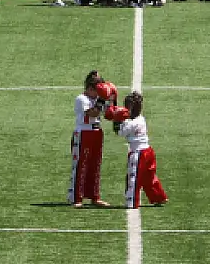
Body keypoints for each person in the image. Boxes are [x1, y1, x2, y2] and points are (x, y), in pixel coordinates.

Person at [106, 90, 167, 208]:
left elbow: (120, 133)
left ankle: (132, 201)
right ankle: (159, 197)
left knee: (133, 177)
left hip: (138, 154)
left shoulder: (132, 123)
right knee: (149, 177)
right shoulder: (140, 119)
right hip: (148, 151)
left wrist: (116, 120)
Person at [69, 72, 111, 208]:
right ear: (90, 88)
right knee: (81, 165)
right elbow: (92, 113)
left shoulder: (98, 98)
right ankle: (77, 198)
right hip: (83, 133)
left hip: (97, 132)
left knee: (95, 165)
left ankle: (94, 196)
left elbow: (108, 113)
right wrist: (102, 101)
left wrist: (111, 100)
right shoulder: (81, 99)